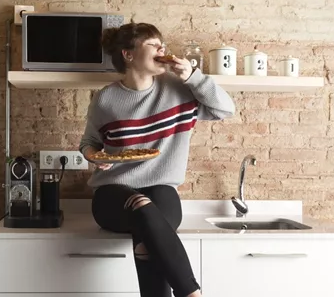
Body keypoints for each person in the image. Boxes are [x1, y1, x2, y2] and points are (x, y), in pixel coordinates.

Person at [79, 22, 235, 297]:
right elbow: (89, 142)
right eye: (153, 44)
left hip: (162, 190)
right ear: (128, 55)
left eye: (162, 43)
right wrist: (93, 155)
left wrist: (194, 77)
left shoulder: (180, 89)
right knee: (141, 207)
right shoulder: (106, 99)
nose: (162, 49)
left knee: (146, 241)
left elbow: (225, 110)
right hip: (113, 193)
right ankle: (192, 294)